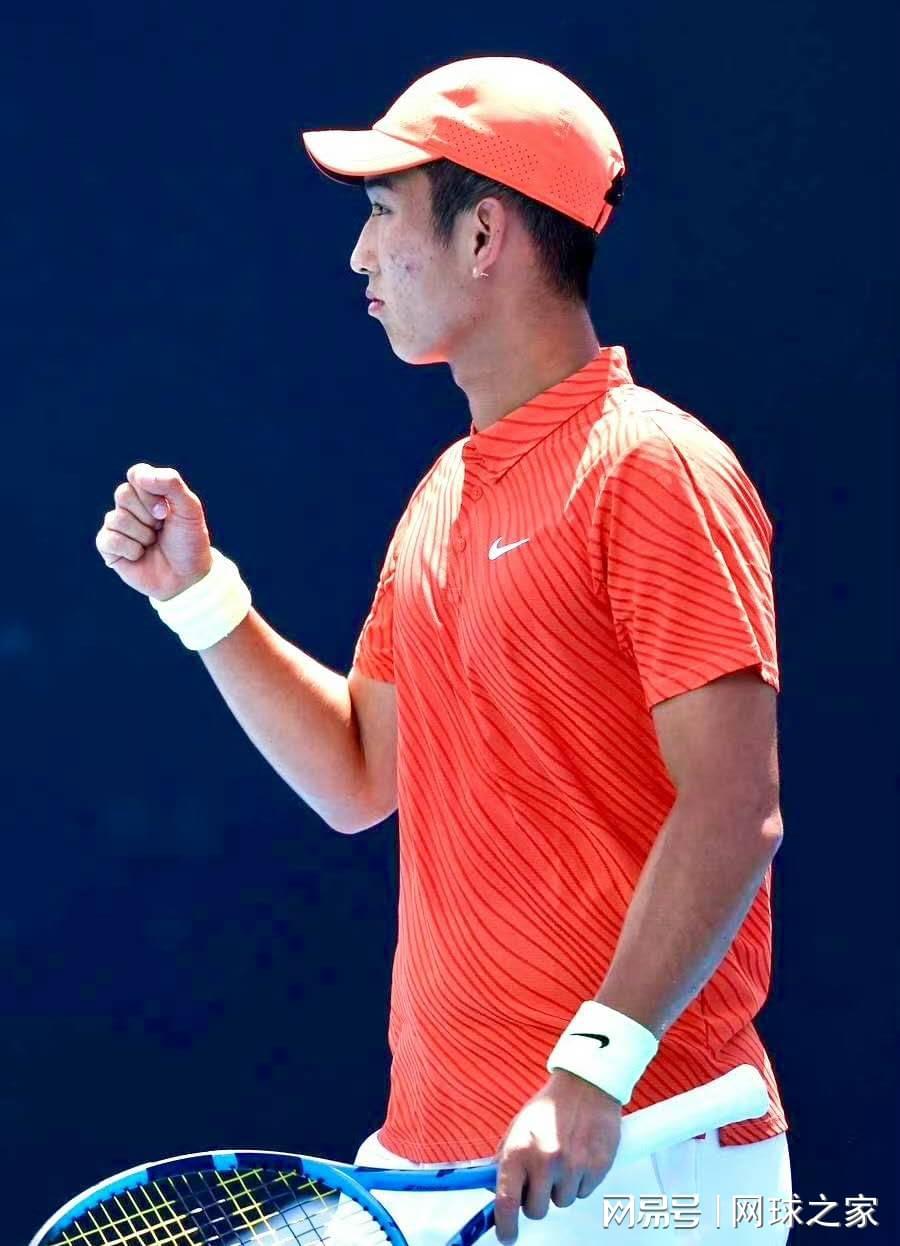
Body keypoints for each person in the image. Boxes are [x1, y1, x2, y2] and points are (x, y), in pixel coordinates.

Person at [95, 56, 793, 1245]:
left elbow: (735, 807)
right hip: (443, 1154)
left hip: (641, 1162)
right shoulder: (443, 494)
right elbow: (361, 775)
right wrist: (200, 598)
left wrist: (593, 1066)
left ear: (482, 236)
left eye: (382, 213)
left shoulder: (654, 468)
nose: (359, 256)